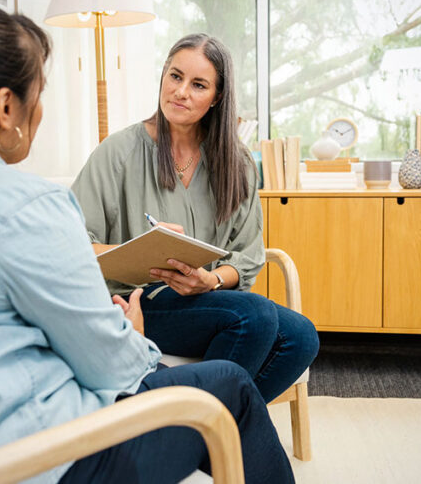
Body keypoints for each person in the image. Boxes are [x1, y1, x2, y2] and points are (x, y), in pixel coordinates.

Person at [0, 2, 293, 484]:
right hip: (44, 456)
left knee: (286, 334)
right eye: (39, 93)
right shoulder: (28, 206)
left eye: (199, 84)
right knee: (229, 388)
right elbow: (115, 369)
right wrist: (133, 336)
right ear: (7, 107)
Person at [71, 34, 319, 403]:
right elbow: (71, 243)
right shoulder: (119, 151)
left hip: (210, 300)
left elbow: (248, 255)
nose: (181, 91)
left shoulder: (237, 164)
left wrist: (212, 280)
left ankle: (198, 430)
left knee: (302, 336)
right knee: (255, 317)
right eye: (175, 76)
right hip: (136, 302)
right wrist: (136, 250)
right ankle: (209, 432)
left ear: (217, 97)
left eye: (198, 84)